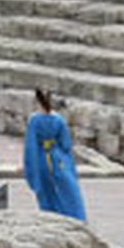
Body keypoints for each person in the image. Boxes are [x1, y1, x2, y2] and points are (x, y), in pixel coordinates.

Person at [23, 88, 86, 221]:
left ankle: (51, 217)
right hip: (58, 158)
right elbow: (66, 144)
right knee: (67, 190)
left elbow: (31, 146)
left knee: (46, 192)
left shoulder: (34, 120)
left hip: (41, 159)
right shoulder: (59, 119)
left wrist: (29, 167)